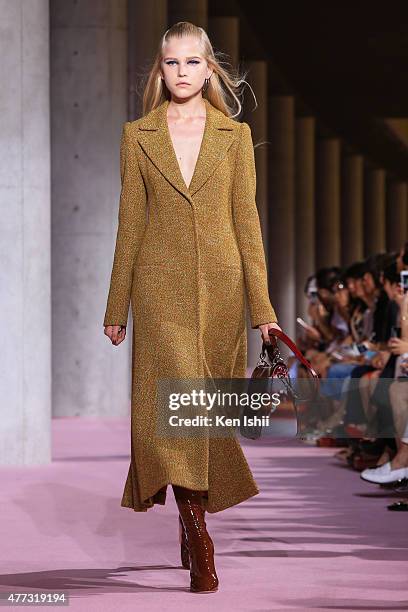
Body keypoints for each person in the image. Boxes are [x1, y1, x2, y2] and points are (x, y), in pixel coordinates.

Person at [102, 21, 282, 593]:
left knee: (205, 414)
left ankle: (187, 513)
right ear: (161, 70)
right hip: (158, 287)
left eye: (191, 62)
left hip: (225, 290)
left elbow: (247, 225)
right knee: (173, 410)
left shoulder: (234, 136)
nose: (182, 73)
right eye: (171, 63)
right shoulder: (138, 135)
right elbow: (130, 222)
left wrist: (264, 309)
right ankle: (200, 534)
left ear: (210, 69)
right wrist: (117, 305)